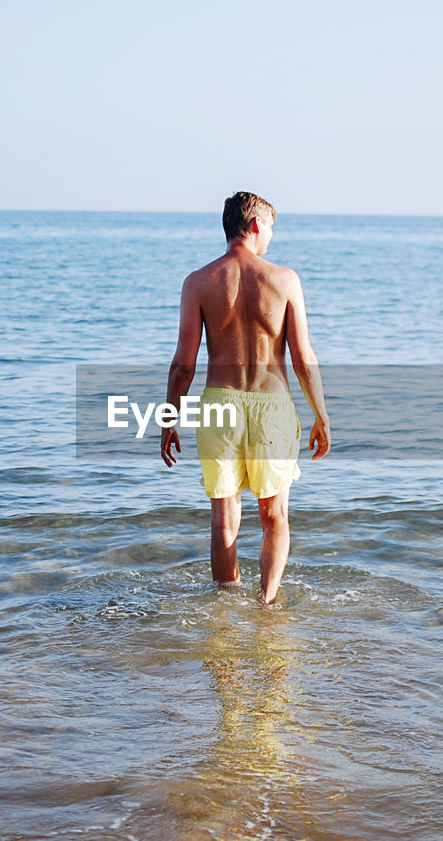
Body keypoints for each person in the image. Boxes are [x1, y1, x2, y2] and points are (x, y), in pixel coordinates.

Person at [161, 191, 331, 605]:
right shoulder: (284, 280)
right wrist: (321, 416)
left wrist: (170, 418)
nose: (271, 234)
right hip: (271, 405)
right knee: (275, 518)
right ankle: (267, 604)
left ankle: (223, 611)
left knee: (224, 520)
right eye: (271, 225)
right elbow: (303, 358)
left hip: (220, 402)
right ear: (255, 224)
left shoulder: (198, 282)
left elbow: (183, 364)